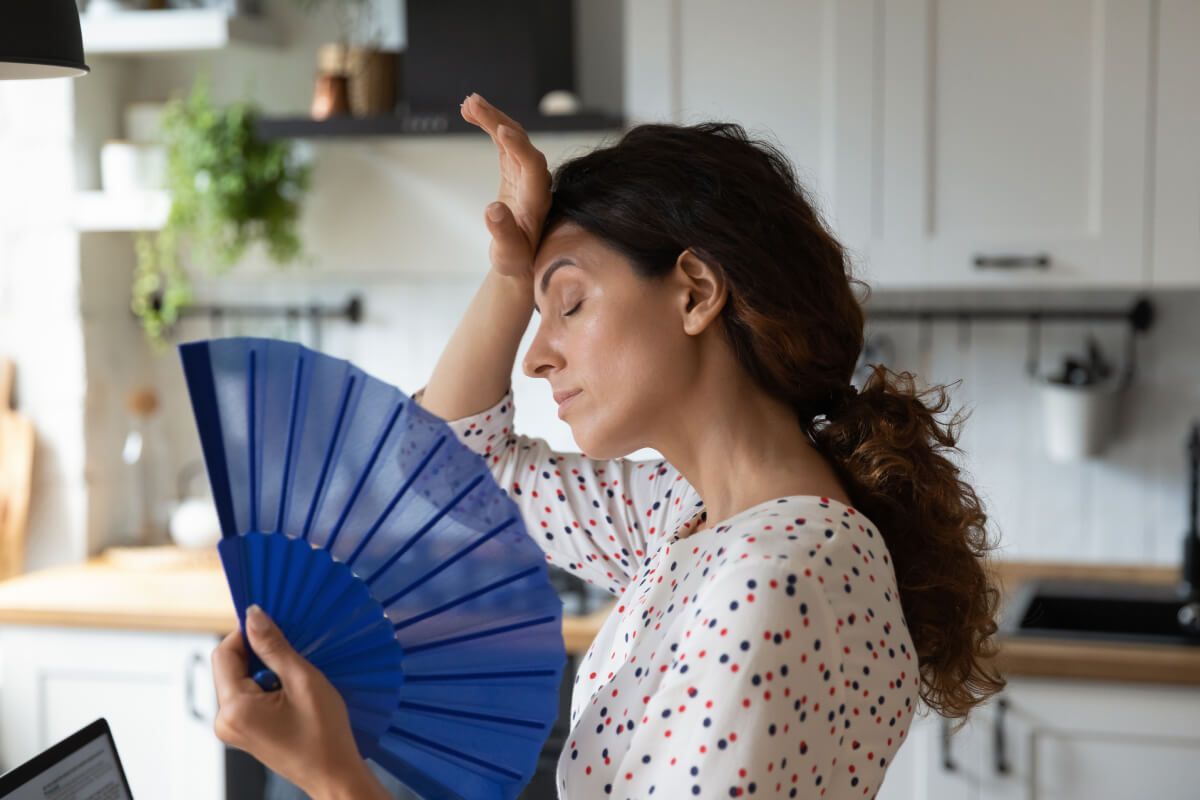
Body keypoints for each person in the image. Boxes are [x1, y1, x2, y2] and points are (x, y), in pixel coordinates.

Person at [211, 93, 1007, 799]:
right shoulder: (689, 516)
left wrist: (332, 775)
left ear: (694, 292)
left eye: (569, 304)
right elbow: (450, 473)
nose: (536, 354)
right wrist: (508, 274)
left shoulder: (768, 580)